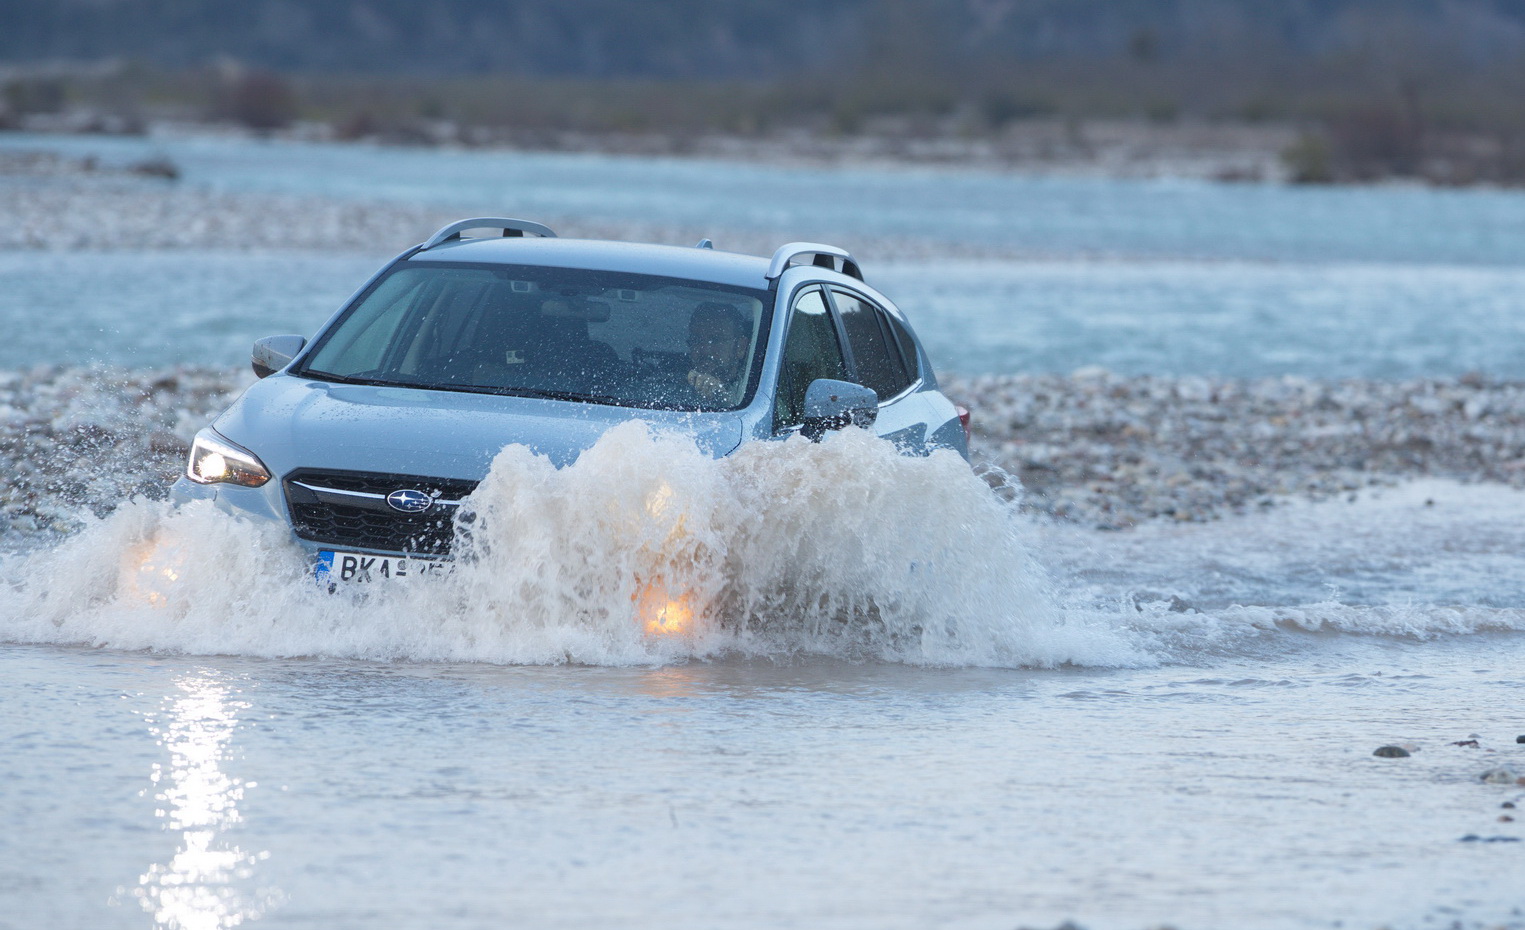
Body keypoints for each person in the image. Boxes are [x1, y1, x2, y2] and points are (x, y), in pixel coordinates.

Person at [685, 302, 751, 405]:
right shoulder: (670, 384)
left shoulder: (756, 392)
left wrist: (722, 398)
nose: (705, 350)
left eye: (716, 340)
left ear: (740, 347)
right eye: (696, 340)